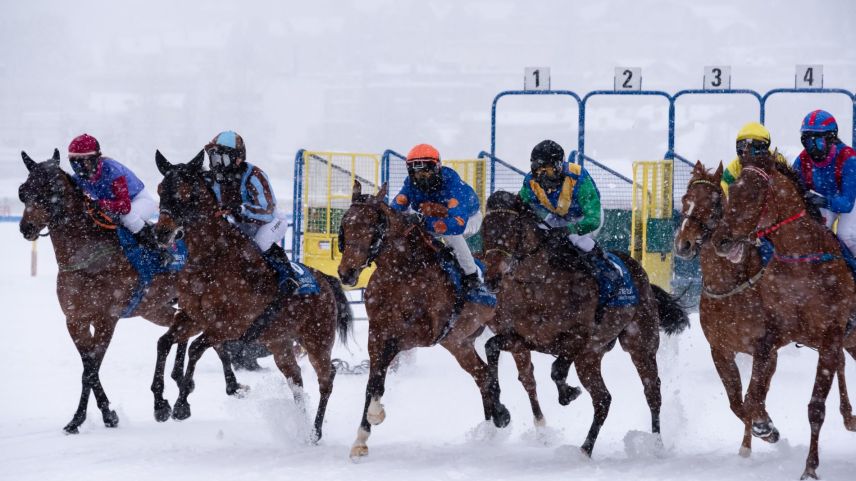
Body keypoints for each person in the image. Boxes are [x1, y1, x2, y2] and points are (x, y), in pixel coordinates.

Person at [390, 143, 492, 299]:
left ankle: (472, 276)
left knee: (450, 234)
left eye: (426, 171)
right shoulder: (410, 183)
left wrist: (424, 221)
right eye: (416, 172)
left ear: (436, 168)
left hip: (468, 219)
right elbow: (395, 209)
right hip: (433, 219)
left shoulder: (453, 185)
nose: (421, 176)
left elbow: (456, 225)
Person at [204, 130, 297, 293]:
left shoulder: (255, 176)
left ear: (237, 159)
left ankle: (288, 277)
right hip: (242, 224)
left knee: (261, 241)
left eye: (222, 158)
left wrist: (239, 208)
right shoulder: (214, 180)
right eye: (214, 158)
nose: (217, 164)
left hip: (270, 221)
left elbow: (267, 211)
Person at [519, 139, 621, 282]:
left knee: (577, 241)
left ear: (559, 166)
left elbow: (593, 219)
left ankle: (609, 271)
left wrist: (570, 229)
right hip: (557, 217)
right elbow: (519, 205)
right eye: (538, 169)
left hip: (583, 218)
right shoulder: (530, 182)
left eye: (548, 170)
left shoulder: (578, 177)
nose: (542, 175)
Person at [67, 133, 159, 247]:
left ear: (95, 159)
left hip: (139, 201)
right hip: (116, 206)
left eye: (83, 161)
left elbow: (125, 207)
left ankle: (156, 247)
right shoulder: (78, 178)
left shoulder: (113, 171)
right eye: (75, 162)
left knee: (127, 217)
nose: (80, 168)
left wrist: (101, 204)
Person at [792, 110, 856, 253]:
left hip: (851, 198)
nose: (813, 148)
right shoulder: (802, 160)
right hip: (826, 199)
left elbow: (847, 204)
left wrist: (823, 201)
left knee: (847, 235)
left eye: (818, 141)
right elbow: (792, 187)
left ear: (831, 139)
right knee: (816, 232)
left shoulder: (848, 158)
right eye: (808, 142)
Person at [720, 121, 789, 196]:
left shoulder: (777, 160)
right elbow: (725, 194)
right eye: (742, 147)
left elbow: (788, 188)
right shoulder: (733, 169)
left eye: (754, 147)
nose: (746, 152)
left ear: (765, 149)